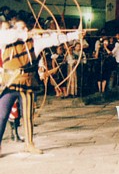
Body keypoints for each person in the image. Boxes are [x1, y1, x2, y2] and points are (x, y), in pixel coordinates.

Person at [1, 20, 81, 155]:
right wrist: (24, 33)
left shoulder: (35, 43)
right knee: (2, 115)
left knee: (28, 115)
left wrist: (75, 35)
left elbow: (55, 40)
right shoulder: (5, 41)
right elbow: (7, 35)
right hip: (9, 83)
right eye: (21, 28)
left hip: (27, 83)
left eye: (26, 27)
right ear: (15, 29)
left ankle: (29, 144)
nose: (24, 30)